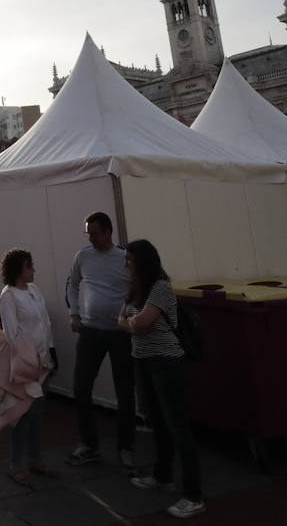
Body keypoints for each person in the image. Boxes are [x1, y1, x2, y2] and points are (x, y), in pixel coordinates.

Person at [118, 239, 204, 519]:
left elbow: (140, 323)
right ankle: (163, 476)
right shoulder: (135, 290)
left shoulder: (161, 288)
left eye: (129, 259)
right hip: (144, 362)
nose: (126, 264)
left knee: (178, 426)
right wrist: (131, 324)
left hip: (166, 364)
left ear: (142, 261)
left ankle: (193, 495)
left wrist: (129, 324)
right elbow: (126, 320)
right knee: (158, 422)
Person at [65, 211, 135, 470]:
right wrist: (74, 313)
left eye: (94, 233)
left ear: (108, 232)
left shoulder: (124, 259)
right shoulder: (82, 256)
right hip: (90, 331)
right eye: (88, 234)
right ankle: (89, 445)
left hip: (119, 334)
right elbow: (72, 285)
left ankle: (126, 446)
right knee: (81, 387)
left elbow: (139, 290)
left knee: (125, 391)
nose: (91, 238)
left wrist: (132, 317)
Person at [0, 249, 57, 485]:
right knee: (24, 415)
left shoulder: (34, 291)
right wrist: (32, 359)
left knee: (38, 414)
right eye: (30, 266)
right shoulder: (9, 296)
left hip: (43, 362)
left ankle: (35, 459)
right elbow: (12, 333)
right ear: (19, 269)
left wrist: (50, 351)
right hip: (27, 365)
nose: (33, 270)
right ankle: (15, 464)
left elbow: (45, 323)